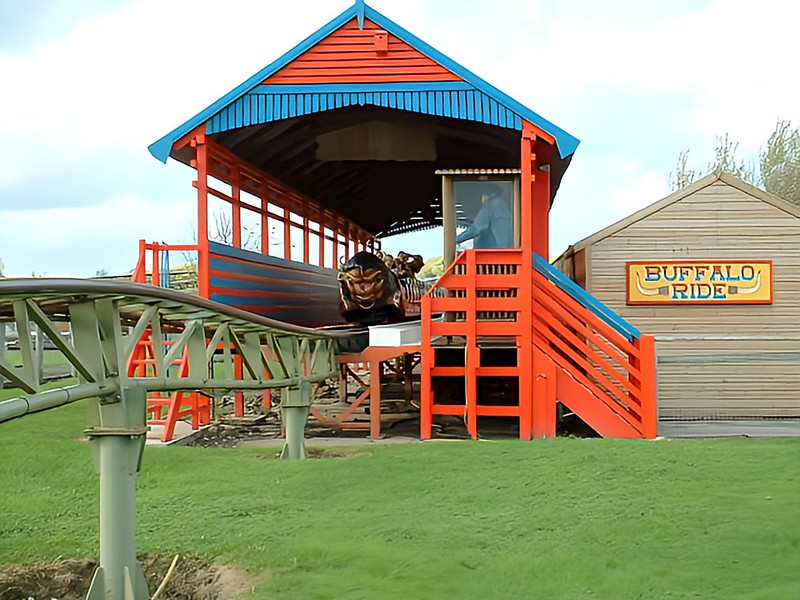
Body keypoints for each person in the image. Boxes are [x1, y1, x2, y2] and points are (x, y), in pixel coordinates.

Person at [455, 184, 513, 249]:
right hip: (506, 253)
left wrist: (455, 240)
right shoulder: (505, 207)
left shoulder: (491, 206)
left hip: (490, 254)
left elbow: (476, 229)